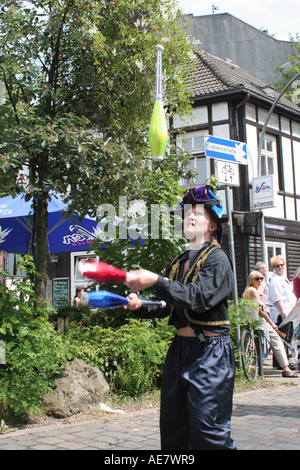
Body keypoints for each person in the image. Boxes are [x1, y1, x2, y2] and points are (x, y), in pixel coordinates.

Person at [125, 185, 236, 450]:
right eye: (187, 212)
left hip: (211, 354)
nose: (190, 216)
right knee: (173, 431)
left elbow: (196, 297)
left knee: (207, 432)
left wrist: (155, 280)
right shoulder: (178, 261)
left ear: (212, 226)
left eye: (198, 212)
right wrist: (140, 305)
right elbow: (167, 304)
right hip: (179, 351)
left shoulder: (218, 259)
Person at [243, 271, 299, 378]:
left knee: (267, 343)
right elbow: (261, 311)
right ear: (251, 280)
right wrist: (272, 323)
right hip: (259, 321)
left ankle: (258, 367)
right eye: (257, 279)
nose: (260, 281)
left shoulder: (248, 290)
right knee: (276, 341)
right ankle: (285, 369)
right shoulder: (253, 291)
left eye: (261, 278)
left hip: (252, 320)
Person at [268, 255, 297, 324]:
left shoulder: (283, 278)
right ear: (274, 267)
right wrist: (283, 313)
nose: (280, 267)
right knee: (285, 334)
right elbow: (276, 298)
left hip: (290, 313)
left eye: (282, 265)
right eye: (277, 266)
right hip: (282, 314)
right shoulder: (275, 280)